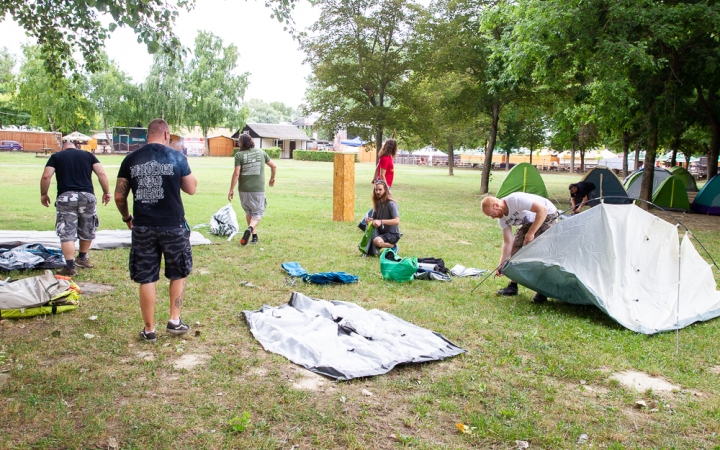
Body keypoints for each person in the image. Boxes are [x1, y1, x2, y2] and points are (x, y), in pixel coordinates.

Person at [115, 118, 198, 343]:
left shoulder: (131, 159)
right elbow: (191, 188)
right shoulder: (177, 157)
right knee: (178, 273)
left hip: (142, 226)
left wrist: (127, 218)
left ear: (147, 135)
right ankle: (174, 320)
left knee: (147, 277)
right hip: (173, 226)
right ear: (166, 134)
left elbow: (119, 196)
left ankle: (149, 329)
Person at [40, 141, 111, 276]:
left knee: (67, 231)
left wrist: (44, 194)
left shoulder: (57, 157)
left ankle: (70, 266)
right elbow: (101, 174)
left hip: (66, 197)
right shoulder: (89, 156)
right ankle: (82, 258)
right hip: (87, 196)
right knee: (88, 228)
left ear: (63, 148)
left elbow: (46, 176)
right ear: (75, 147)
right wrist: (106, 192)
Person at [481, 193, 559, 303]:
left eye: (492, 214)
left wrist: (531, 233)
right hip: (530, 221)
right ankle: (513, 286)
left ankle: (542, 292)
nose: (493, 217)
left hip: (547, 215)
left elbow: (543, 209)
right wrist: (501, 263)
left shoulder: (516, 200)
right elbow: (507, 242)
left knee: (541, 251)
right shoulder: (502, 219)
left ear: (496, 205)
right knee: (515, 248)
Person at [228, 134, 277, 245]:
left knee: (249, 211)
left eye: (238, 141)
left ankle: (254, 236)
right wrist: (272, 178)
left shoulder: (239, 155)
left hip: (243, 190)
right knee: (258, 213)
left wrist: (231, 189)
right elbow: (274, 166)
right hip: (257, 190)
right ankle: (250, 229)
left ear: (241, 143)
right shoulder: (261, 153)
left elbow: (236, 173)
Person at [359, 138, 398, 231]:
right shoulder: (385, 158)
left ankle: (365, 222)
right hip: (384, 185)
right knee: (379, 205)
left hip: (385, 184)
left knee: (379, 204)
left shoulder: (387, 157)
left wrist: (373, 178)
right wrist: (386, 188)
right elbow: (382, 174)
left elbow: (377, 168)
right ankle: (364, 222)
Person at [364, 180, 401, 256]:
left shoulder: (391, 204)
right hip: (381, 232)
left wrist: (381, 221)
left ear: (385, 190)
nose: (377, 192)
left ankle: (393, 246)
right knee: (371, 253)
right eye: (376, 190)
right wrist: (369, 220)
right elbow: (375, 219)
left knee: (377, 241)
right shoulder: (377, 203)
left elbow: (396, 221)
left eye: (380, 190)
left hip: (392, 234)